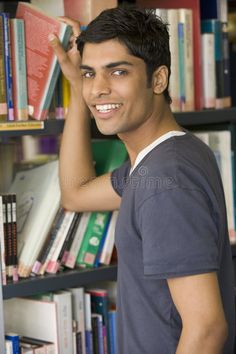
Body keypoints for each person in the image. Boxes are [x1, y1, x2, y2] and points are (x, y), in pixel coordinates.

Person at [49, 6, 235, 354]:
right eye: (91, 74)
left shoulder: (167, 179)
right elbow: (76, 193)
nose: (99, 90)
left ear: (158, 79)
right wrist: (76, 86)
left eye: (118, 72)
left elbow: (207, 329)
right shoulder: (162, 161)